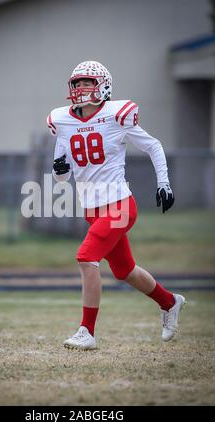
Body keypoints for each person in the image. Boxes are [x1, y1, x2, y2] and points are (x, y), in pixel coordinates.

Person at [47, 60, 186, 350]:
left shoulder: (116, 115)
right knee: (125, 271)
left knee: (86, 258)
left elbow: (153, 145)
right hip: (93, 210)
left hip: (120, 205)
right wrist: (60, 169)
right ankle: (170, 302)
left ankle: (87, 331)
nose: (80, 88)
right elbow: (62, 177)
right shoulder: (61, 120)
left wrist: (164, 183)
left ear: (103, 86)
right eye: (77, 83)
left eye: (87, 82)